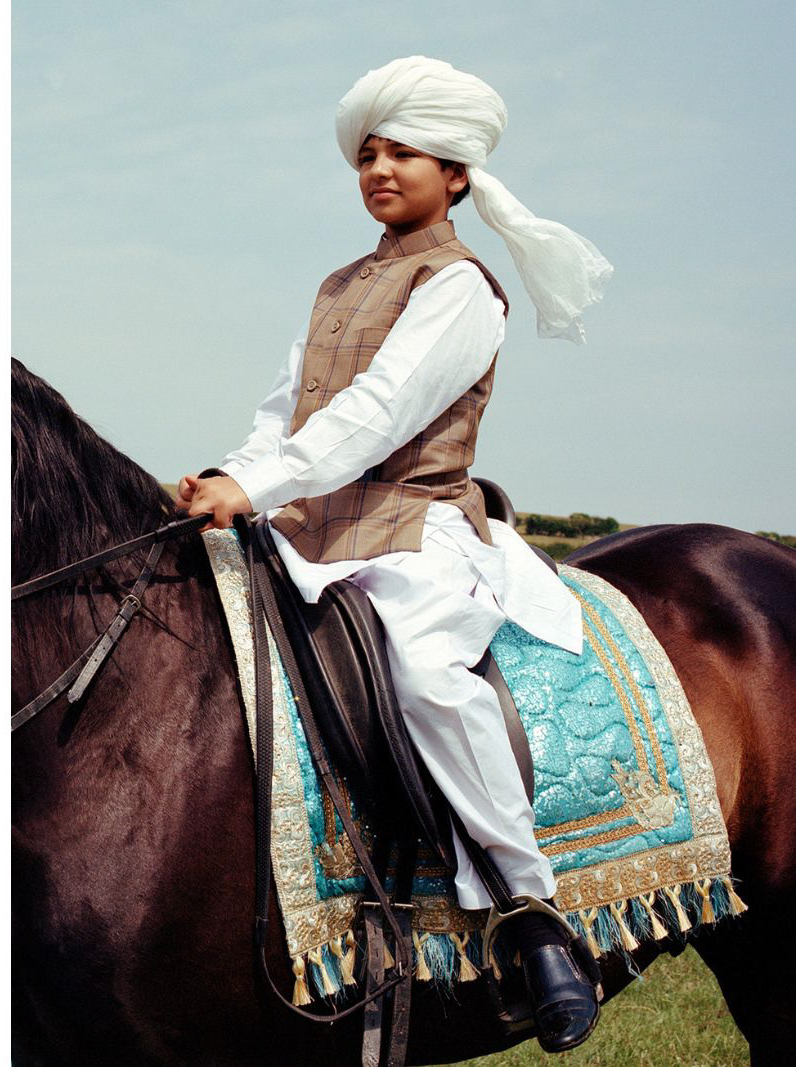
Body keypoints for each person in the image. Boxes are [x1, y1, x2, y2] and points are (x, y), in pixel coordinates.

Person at [178, 57, 611, 1052]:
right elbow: (280, 415)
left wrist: (263, 484)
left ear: (454, 172)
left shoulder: (462, 287)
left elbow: (378, 417)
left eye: (401, 152)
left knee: (425, 675)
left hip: (415, 531)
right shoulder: (339, 283)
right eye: (366, 154)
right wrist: (222, 477)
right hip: (305, 524)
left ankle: (529, 908)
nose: (377, 168)